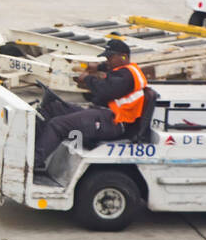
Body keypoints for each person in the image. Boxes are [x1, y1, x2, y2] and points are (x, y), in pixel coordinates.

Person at [33, 39, 148, 171]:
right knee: (52, 107)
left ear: (124, 57)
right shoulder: (121, 71)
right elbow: (108, 72)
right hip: (101, 114)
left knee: (57, 124)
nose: (107, 61)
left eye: (110, 57)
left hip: (113, 121)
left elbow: (106, 90)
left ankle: (32, 163)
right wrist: (96, 68)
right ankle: (32, 152)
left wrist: (87, 79)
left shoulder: (128, 75)